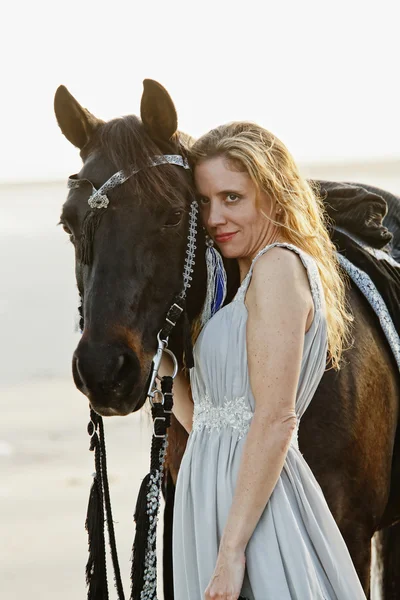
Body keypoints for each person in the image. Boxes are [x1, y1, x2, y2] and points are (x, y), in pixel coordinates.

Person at [165, 122, 367, 599]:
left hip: (255, 522)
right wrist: (166, 376)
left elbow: (275, 419)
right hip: (219, 504)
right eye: (206, 202)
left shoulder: (278, 266)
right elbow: (215, 424)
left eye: (232, 197)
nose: (215, 218)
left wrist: (232, 550)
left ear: (274, 196)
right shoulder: (244, 285)